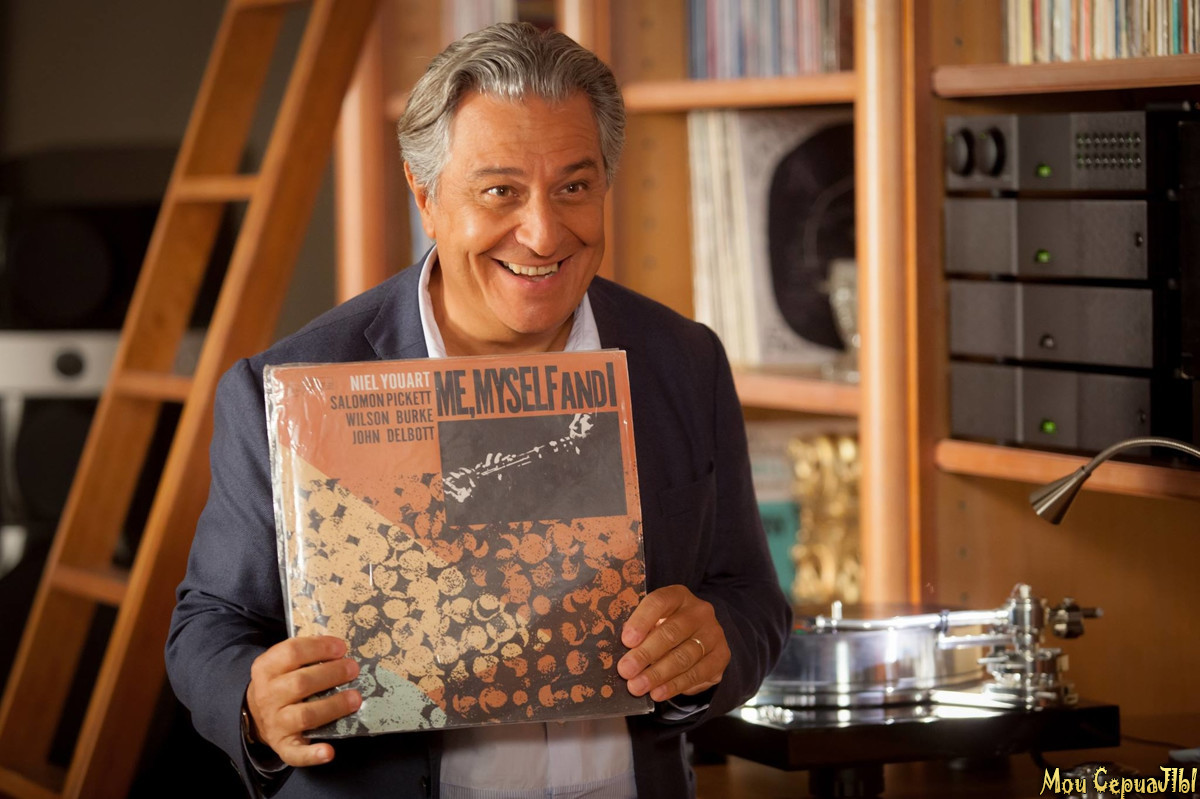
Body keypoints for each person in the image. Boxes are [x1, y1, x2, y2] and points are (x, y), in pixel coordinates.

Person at [166, 21, 790, 799]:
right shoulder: (291, 388)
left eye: (574, 187)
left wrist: (711, 646)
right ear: (425, 196)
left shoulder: (682, 361)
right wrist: (256, 702)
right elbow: (209, 622)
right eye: (500, 191)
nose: (543, 232)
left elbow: (752, 599)